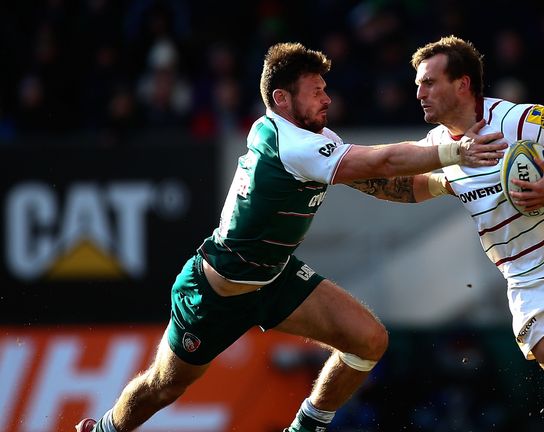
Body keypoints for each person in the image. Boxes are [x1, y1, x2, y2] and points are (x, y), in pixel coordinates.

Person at [75, 42, 507, 432]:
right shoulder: (290, 144)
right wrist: (455, 151)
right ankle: (105, 430)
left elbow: (388, 185)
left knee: (369, 340)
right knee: (162, 388)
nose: (327, 98)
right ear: (282, 99)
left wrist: (445, 183)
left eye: (325, 89)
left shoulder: (314, 140)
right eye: (316, 90)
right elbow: (388, 160)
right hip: (214, 291)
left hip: (274, 280)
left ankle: (305, 429)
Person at [346, 36, 544, 432]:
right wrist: (344, 175)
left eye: (428, 82)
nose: (418, 92)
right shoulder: (439, 147)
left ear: (462, 84)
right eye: (417, 84)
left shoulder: (518, 120)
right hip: (528, 281)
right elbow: (409, 188)